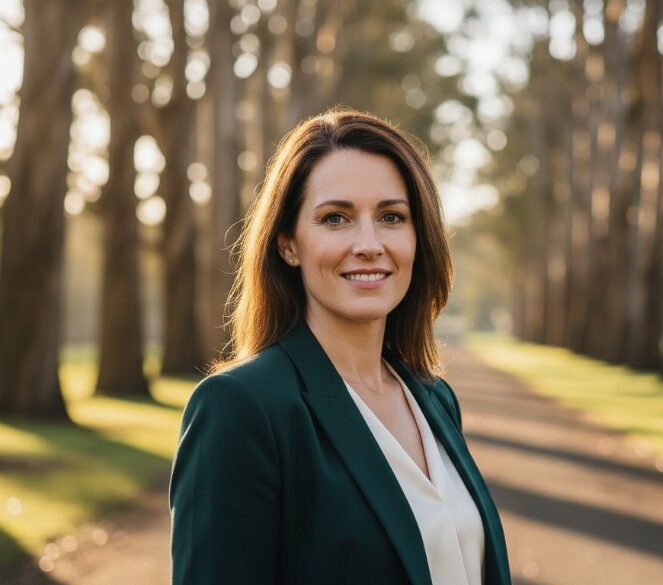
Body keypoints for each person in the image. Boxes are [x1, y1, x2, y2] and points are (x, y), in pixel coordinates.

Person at [169, 108, 512, 585]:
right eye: (336, 218)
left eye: (391, 217)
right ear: (288, 244)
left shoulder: (434, 398)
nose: (369, 244)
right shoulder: (241, 408)